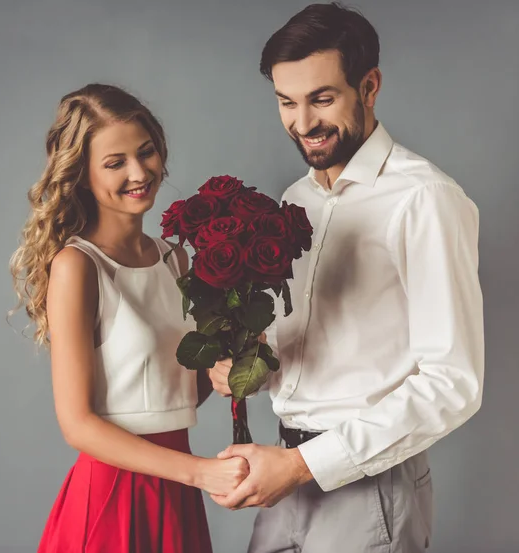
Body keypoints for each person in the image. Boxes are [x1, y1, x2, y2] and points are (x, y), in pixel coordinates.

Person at [207, 3, 484, 552]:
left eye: (322, 99)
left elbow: (453, 384)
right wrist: (252, 369)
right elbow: (317, 352)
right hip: (284, 479)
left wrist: (305, 464)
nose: (303, 123)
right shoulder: (294, 200)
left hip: (368, 488)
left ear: (370, 86)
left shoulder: (423, 199)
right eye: (287, 102)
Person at [10, 83, 249, 553]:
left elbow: (170, 395)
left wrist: (223, 375)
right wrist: (200, 471)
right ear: (80, 175)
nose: (139, 172)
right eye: (115, 162)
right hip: (113, 495)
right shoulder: (77, 266)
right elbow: (76, 424)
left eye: (146, 153)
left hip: (178, 489)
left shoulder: (176, 260)